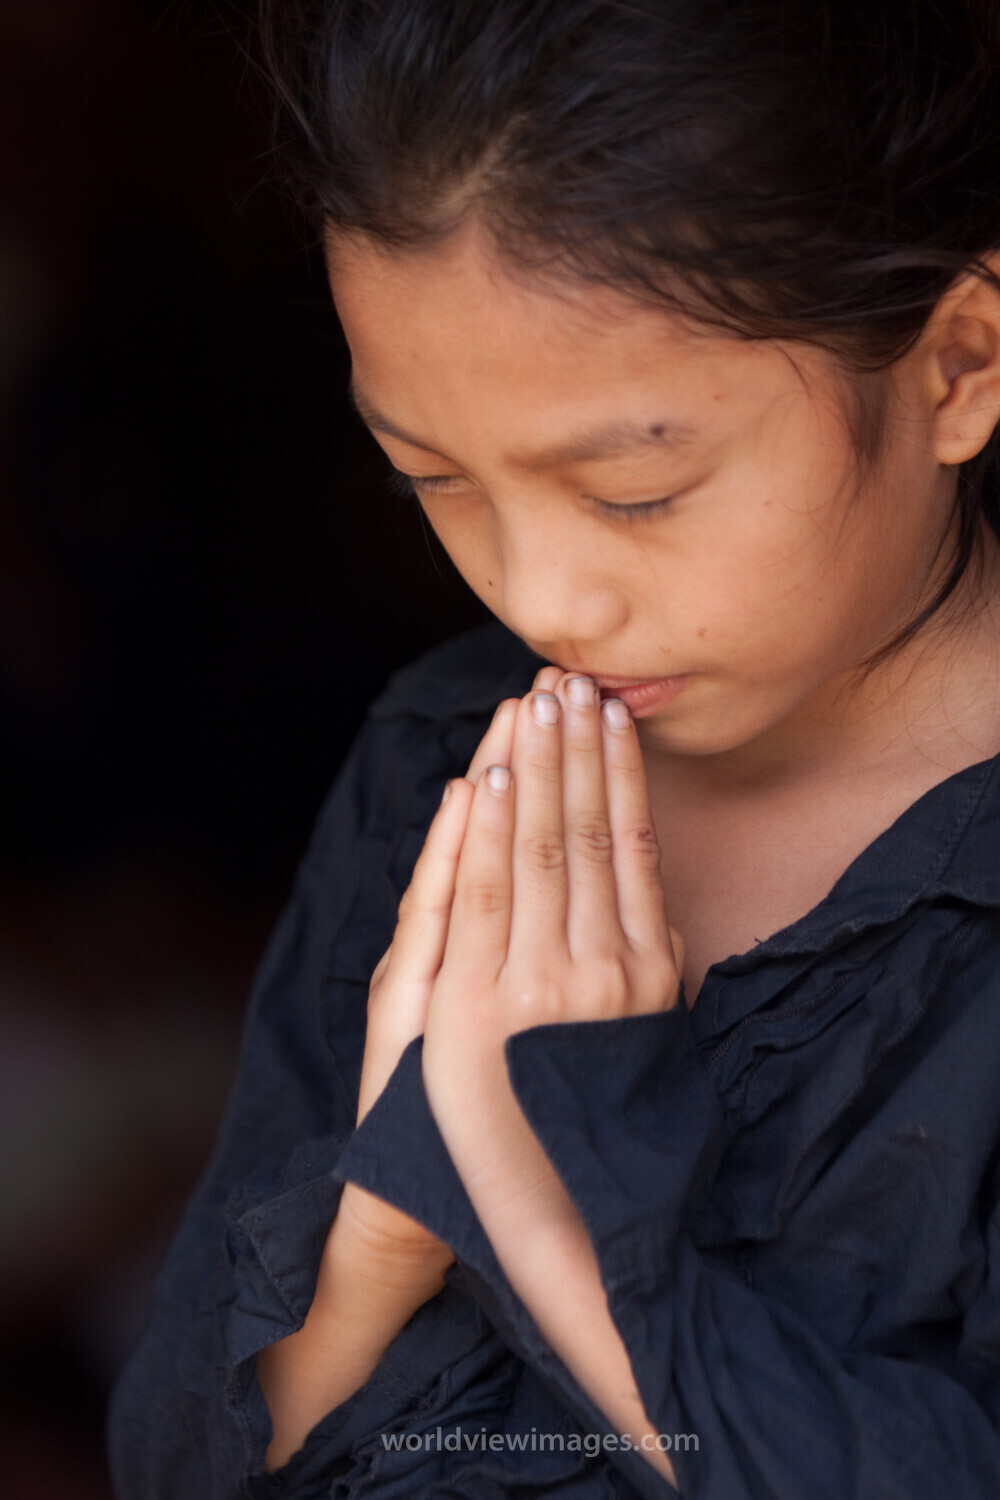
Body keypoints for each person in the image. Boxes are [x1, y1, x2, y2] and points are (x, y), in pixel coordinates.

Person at [107, 1, 1000, 1495]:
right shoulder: (440, 762)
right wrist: (385, 1229)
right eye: (431, 478)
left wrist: (549, 1223)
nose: (540, 599)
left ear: (959, 364)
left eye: (636, 493)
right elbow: (167, 1459)